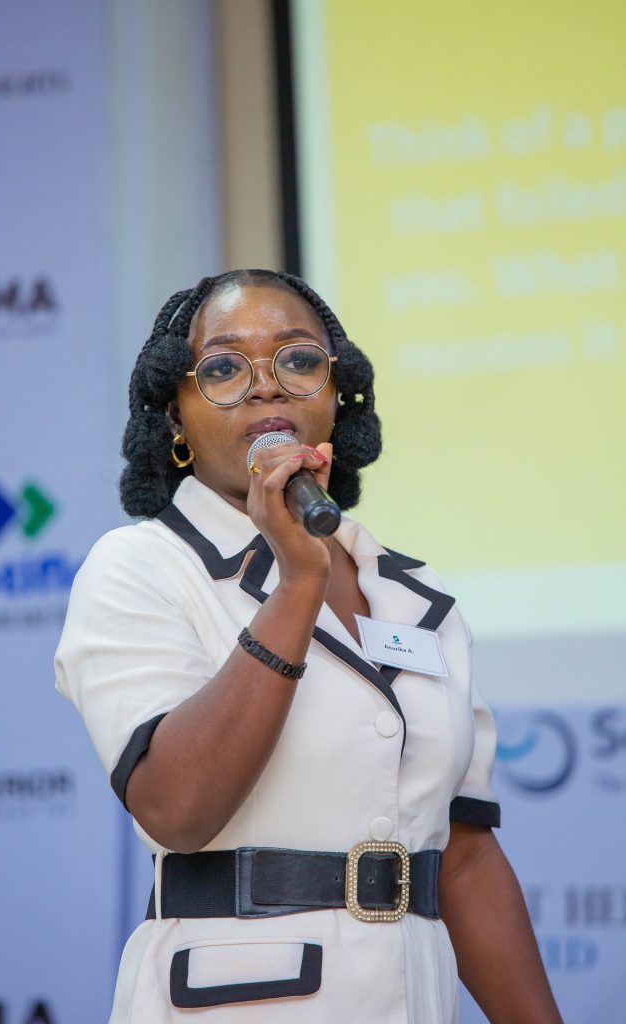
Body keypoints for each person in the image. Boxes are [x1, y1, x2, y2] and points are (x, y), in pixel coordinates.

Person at [55, 269, 562, 1023]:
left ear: (336, 397)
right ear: (175, 416)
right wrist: (298, 584)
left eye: (297, 359)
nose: (267, 385)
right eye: (223, 368)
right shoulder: (140, 567)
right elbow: (177, 807)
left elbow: (462, 859)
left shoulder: (413, 595)